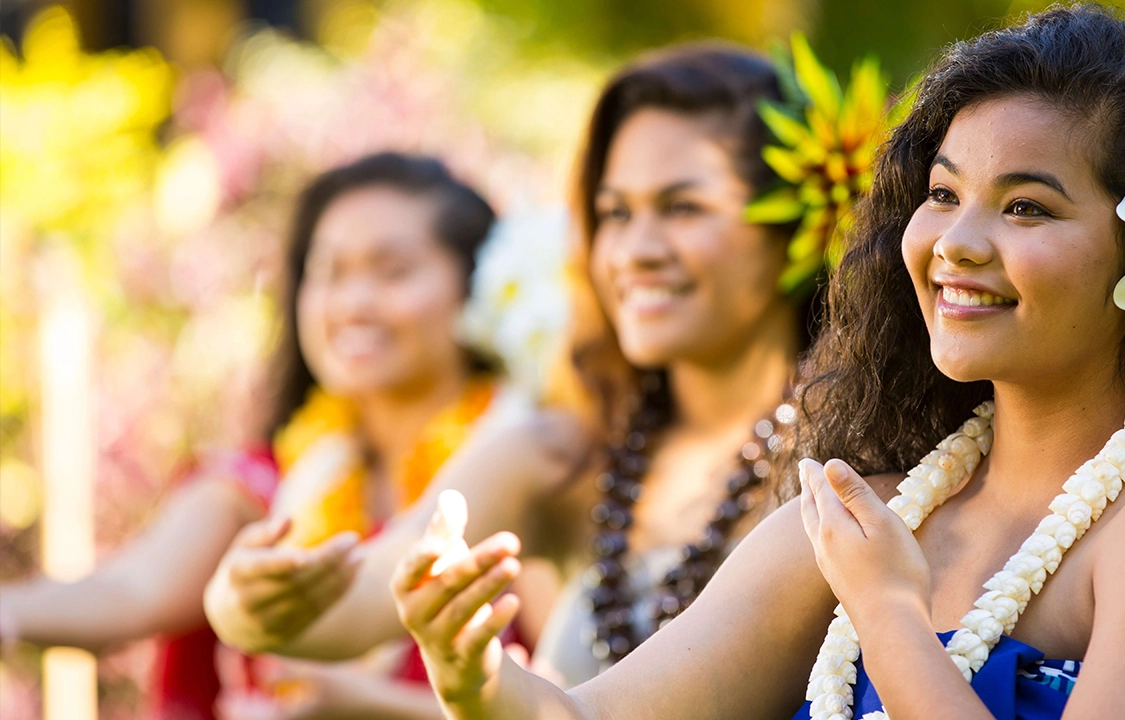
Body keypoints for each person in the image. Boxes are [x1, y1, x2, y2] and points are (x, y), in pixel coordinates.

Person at [391, 7, 1125, 719]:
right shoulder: (863, 517)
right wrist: (468, 673)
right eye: (942, 194)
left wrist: (890, 616)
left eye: (1027, 208)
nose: (954, 244)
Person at [204, 42, 852, 687]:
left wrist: (476, 687)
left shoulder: (852, 471)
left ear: (801, 226)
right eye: (614, 213)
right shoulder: (562, 456)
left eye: (683, 207)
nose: (635, 250)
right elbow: (367, 594)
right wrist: (239, 607)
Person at [0, 151, 503, 720]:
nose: (353, 303)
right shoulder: (263, 489)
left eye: (393, 272)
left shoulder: (531, 466)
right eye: (330, 272)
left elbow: (575, 699)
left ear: (479, 285)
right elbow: (131, 592)